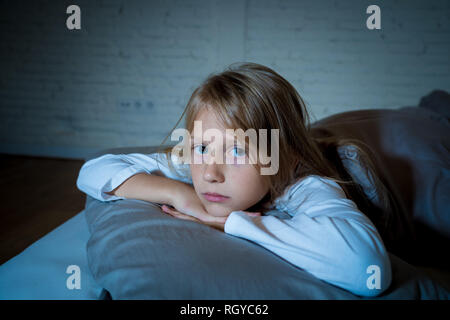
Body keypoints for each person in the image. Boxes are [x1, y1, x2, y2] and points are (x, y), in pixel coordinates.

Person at [77, 62, 392, 297]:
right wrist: (179, 194)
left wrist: (233, 222)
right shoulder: (197, 163)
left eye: (238, 152)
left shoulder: (306, 185)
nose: (211, 173)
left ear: (284, 158)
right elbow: (94, 170)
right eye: (203, 147)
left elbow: (367, 270)